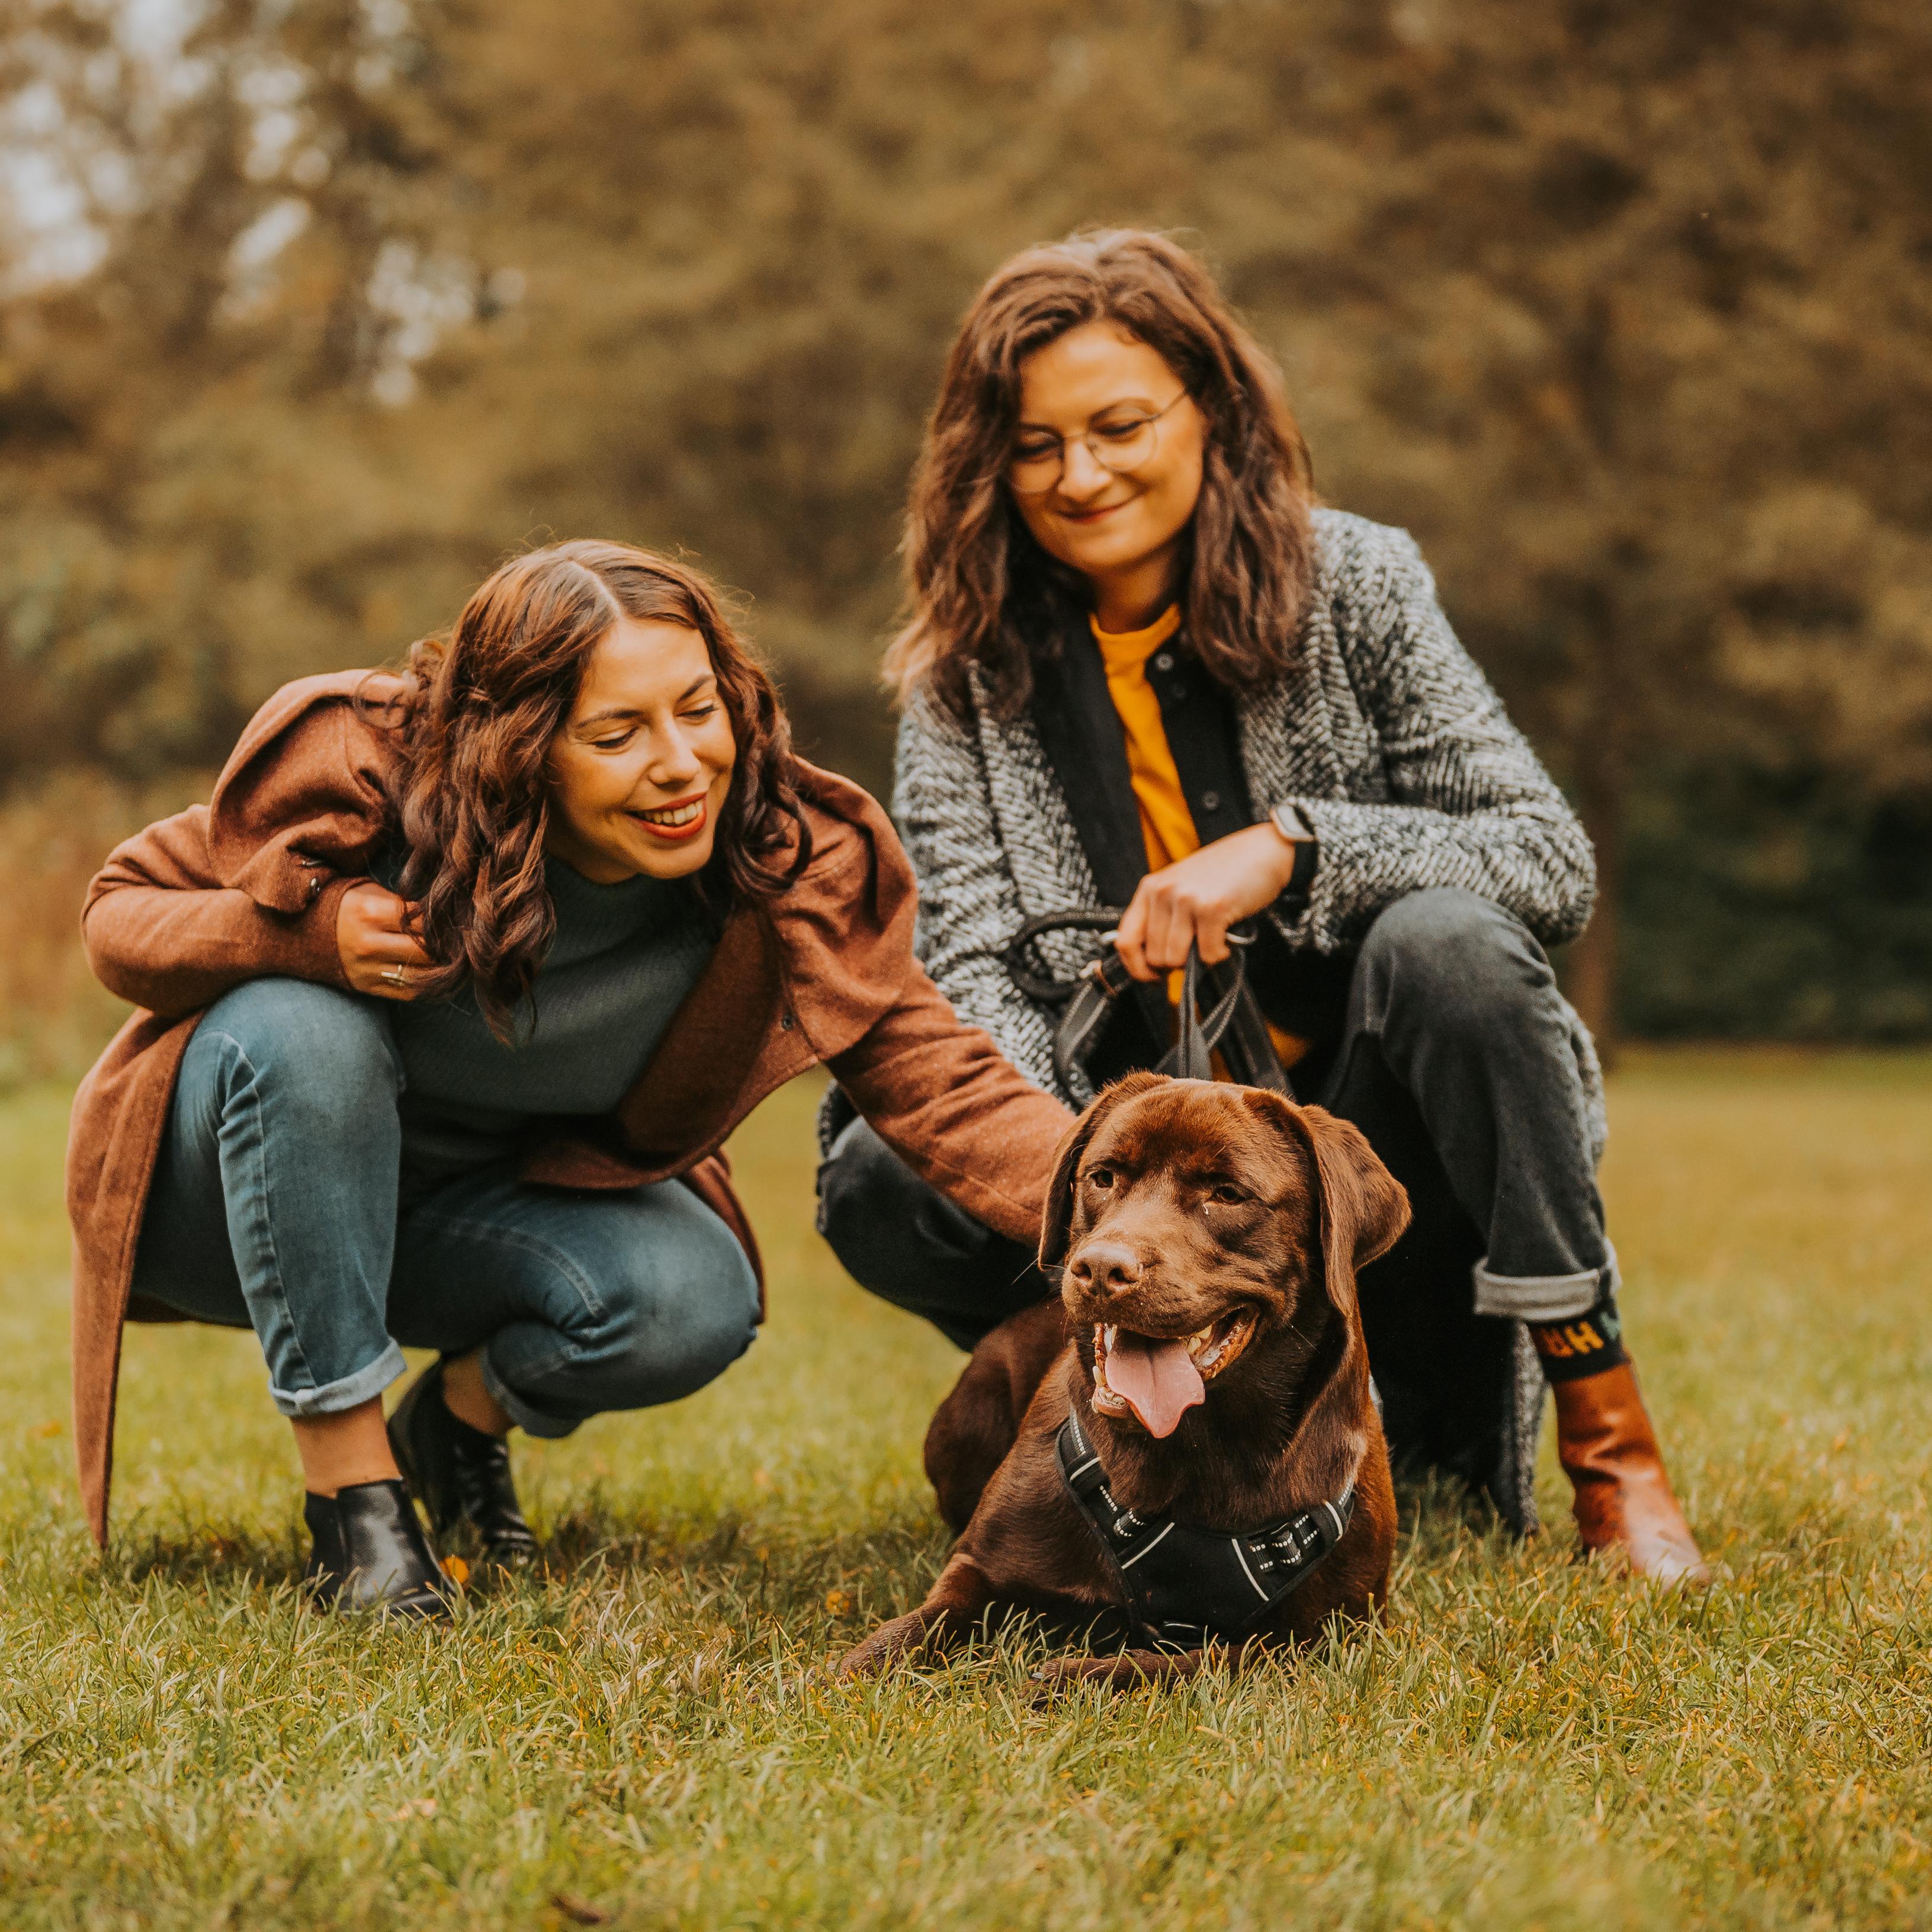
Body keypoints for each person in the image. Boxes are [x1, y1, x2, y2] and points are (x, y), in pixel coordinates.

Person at [816, 229, 1706, 1583]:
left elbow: (1543, 855)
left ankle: (1606, 1443)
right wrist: (1115, 1210)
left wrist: (1289, 848)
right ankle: (1134, 1408)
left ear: (1211, 412)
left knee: (1451, 945)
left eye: (1117, 426)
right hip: (1138, 1190)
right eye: (1036, 444)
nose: (1080, 474)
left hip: (1371, 1190)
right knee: (881, 1167)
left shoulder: (1356, 581)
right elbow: (975, 967)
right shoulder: (961, 677)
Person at [68, 542, 1072, 1617]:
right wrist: (306, 935)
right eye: (617, 734)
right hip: (227, 1204)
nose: (681, 763)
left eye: (698, 710)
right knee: (300, 1025)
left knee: (693, 1294)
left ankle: (450, 1429)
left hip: (458, 1230)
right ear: (523, 748)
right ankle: (354, 1509)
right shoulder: (377, 770)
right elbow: (116, 911)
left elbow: (941, 1077)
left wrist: (1128, 1204)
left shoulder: (777, 861)